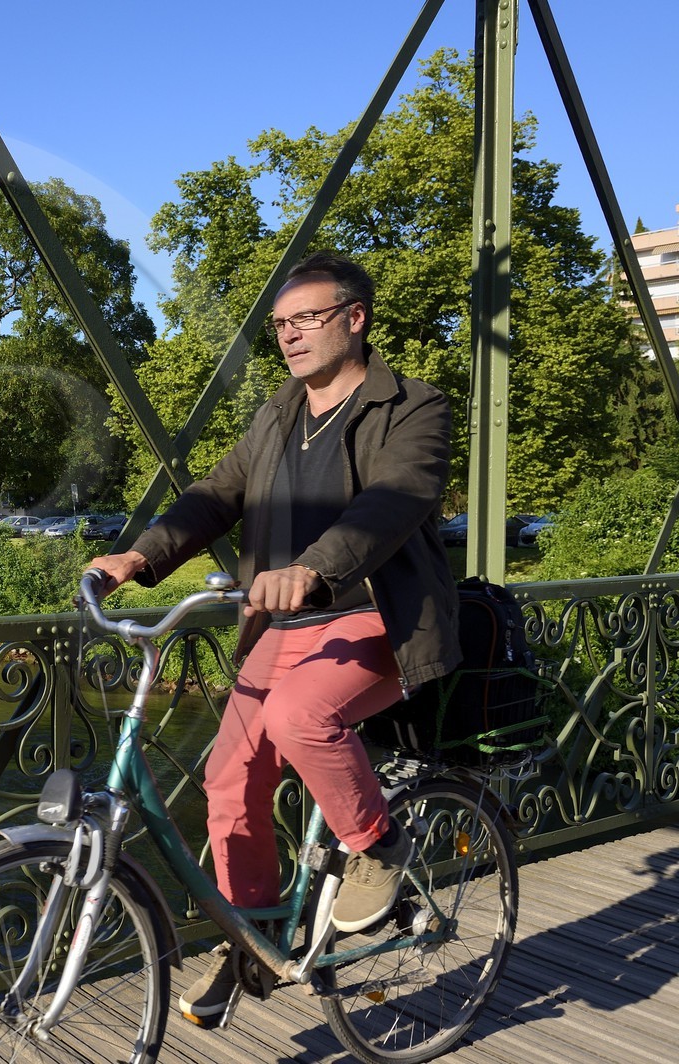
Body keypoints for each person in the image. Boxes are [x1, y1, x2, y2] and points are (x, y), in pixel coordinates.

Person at [86, 252, 459, 1025]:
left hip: (373, 617)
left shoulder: (414, 406)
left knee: (298, 716)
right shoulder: (279, 412)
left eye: (306, 320)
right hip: (283, 625)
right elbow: (217, 494)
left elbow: (396, 500)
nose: (289, 336)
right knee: (228, 780)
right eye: (280, 325)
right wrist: (141, 555)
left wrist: (316, 568)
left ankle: (379, 845)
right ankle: (250, 942)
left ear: (355, 319)